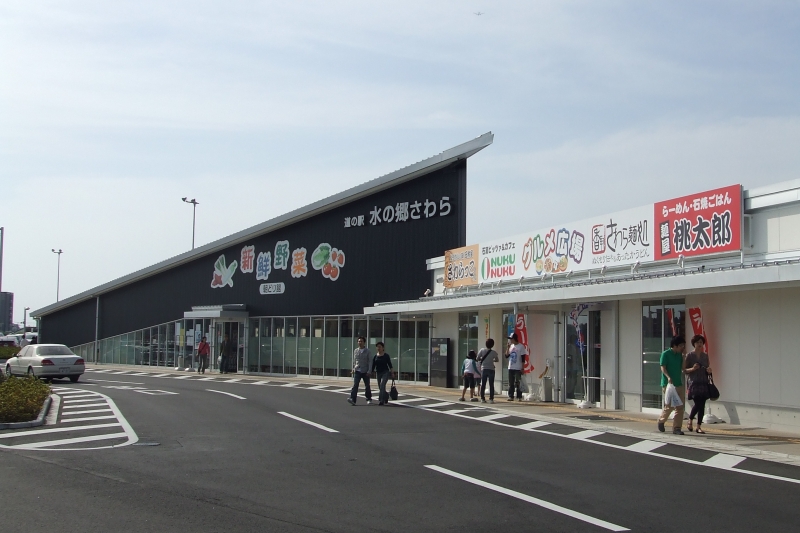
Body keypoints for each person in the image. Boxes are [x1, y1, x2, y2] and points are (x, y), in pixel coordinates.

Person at [658, 335, 687, 435]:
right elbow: (663, 367)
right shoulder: (665, 354)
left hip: (678, 383)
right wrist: (668, 377)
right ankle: (661, 421)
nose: (682, 347)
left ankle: (677, 428)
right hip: (668, 384)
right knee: (669, 406)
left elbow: (683, 368)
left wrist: (684, 357)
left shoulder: (679, 355)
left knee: (680, 407)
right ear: (675, 345)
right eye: (681, 345)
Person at [685, 334, 711, 434]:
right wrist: (693, 368)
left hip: (703, 382)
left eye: (701, 342)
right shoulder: (689, 356)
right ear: (694, 344)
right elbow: (684, 370)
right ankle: (690, 419)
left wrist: (709, 370)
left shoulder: (705, 356)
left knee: (702, 405)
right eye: (697, 342)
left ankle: (698, 426)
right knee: (698, 403)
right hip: (694, 382)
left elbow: (707, 367)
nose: (699, 344)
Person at [348, 336, 373, 405]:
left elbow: (370, 361)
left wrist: (369, 371)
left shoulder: (367, 351)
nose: (360, 342)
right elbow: (354, 361)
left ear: (364, 342)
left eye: (361, 341)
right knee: (355, 385)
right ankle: (353, 399)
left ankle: (368, 398)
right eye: (359, 341)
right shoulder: (356, 350)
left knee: (367, 385)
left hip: (365, 370)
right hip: (358, 370)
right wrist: (353, 369)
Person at [505, 333, 526, 401]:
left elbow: (523, 358)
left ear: (514, 339)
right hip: (510, 367)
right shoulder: (511, 346)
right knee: (511, 383)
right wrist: (508, 348)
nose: (510, 340)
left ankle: (519, 396)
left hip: (518, 367)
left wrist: (522, 368)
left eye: (511, 339)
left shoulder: (521, 347)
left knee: (518, 382)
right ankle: (511, 396)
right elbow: (506, 356)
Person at [477, 339, 499, 403]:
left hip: (484, 369)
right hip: (491, 369)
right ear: (493, 345)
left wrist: (482, 359)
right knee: (491, 384)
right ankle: (491, 399)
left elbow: (477, 358)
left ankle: (482, 398)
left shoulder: (482, 350)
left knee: (483, 384)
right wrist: (492, 360)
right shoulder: (494, 352)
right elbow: (497, 360)